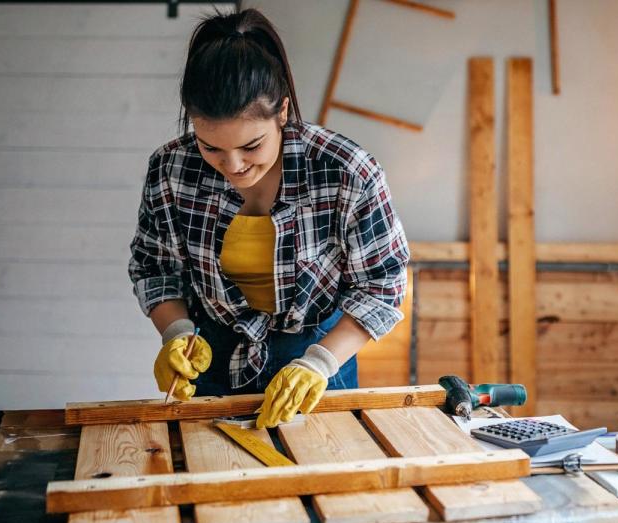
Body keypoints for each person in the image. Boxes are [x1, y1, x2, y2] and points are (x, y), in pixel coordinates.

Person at [128, 8, 409, 429]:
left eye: (252, 146)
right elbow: (156, 269)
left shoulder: (346, 170)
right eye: (211, 148)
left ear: (282, 111)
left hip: (317, 365)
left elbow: (383, 285)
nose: (233, 165)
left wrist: (318, 363)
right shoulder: (171, 169)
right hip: (212, 364)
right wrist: (176, 334)